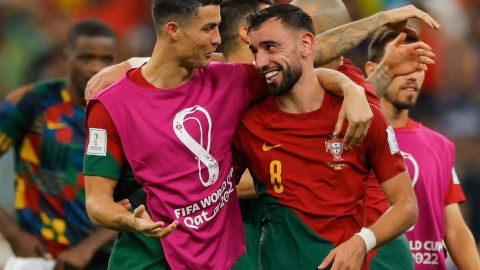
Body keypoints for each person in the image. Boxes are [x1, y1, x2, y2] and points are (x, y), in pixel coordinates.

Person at [82, 0, 377, 269]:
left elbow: (298, 59)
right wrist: (130, 221)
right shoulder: (111, 105)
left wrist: (350, 88)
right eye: (208, 28)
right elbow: (97, 203)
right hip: (148, 259)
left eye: (218, 27)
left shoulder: (230, 81)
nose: (218, 39)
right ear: (173, 30)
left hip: (219, 259)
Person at [233, 5, 419, 270]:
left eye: (271, 47)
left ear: (307, 44)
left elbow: (407, 206)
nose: (260, 62)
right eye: (255, 51)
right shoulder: (249, 123)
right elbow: (212, 190)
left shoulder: (363, 114)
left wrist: (361, 242)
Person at [0, 20, 118, 270]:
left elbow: (140, 195)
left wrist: (87, 248)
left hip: (104, 257)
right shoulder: (31, 103)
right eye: (86, 58)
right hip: (39, 255)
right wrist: (13, 234)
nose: (96, 67)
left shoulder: (121, 112)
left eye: (105, 59)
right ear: (67, 57)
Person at [364, 28, 480, 270]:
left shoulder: (440, 145)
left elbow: (456, 229)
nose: (413, 75)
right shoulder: (353, 139)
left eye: (419, 67)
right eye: (403, 64)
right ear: (374, 71)